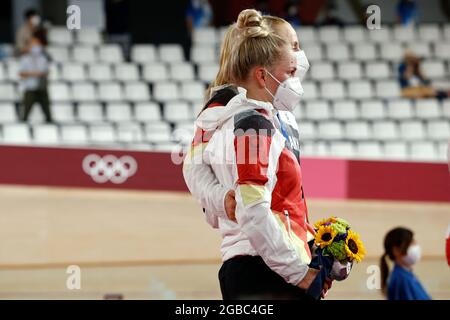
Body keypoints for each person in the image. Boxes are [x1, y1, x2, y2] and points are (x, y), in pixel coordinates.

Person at [184, 9, 325, 300]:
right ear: (262, 74)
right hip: (265, 272)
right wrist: (299, 273)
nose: (300, 61)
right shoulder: (252, 124)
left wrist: (316, 248)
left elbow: (193, 165)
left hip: (268, 263)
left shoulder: (271, 117)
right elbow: (253, 209)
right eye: (294, 50)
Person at [380, 227, 431, 300]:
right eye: (411, 244)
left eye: (414, 242)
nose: (416, 247)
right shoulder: (401, 279)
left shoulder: (407, 275)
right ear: (396, 250)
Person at [19, 30, 52, 123]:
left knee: (48, 114)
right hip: (30, 88)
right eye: (33, 44)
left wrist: (37, 74)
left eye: (37, 43)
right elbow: (21, 73)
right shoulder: (25, 59)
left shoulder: (43, 58)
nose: (35, 46)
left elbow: (46, 72)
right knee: (25, 114)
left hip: (41, 88)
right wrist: (33, 73)